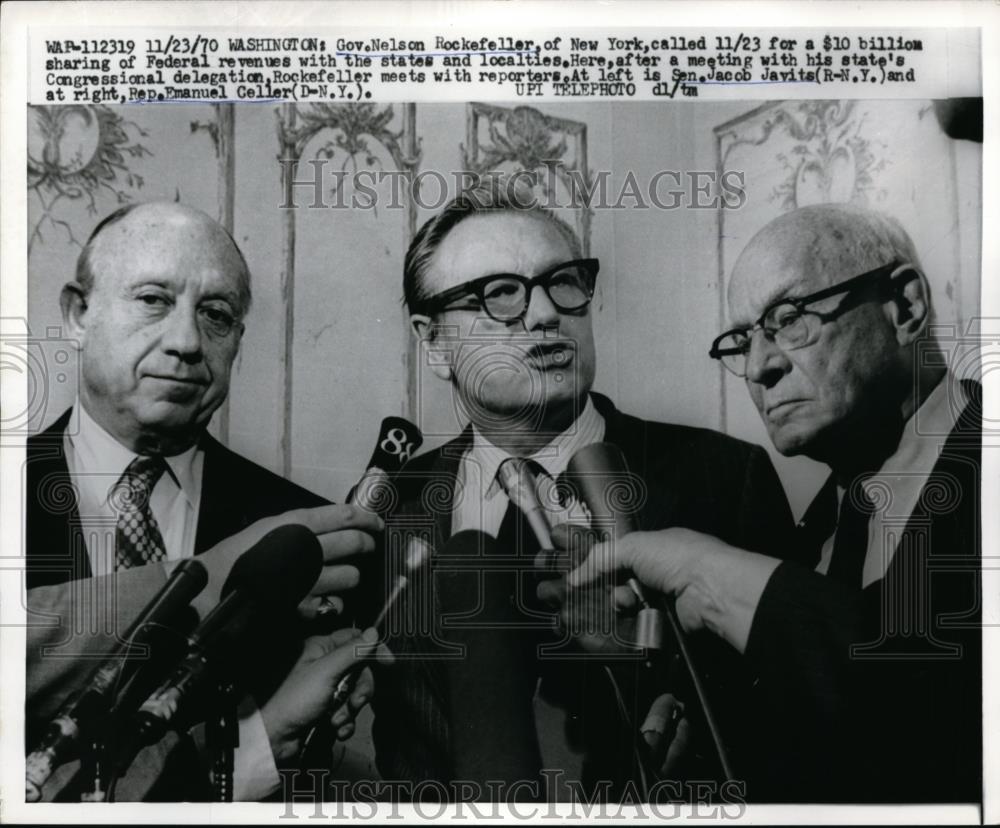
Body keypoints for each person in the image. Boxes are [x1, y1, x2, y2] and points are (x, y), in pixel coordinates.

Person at [370, 181, 798, 801]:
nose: (545, 314)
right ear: (434, 342)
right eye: (501, 295)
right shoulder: (392, 509)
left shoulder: (724, 476)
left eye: (563, 282)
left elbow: (793, 715)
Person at [568, 203, 982, 803]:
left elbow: (935, 712)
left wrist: (706, 573)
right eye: (742, 340)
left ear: (904, 307)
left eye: (789, 319)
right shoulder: (811, 532)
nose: (760, 365)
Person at [24, 201, 384, 800]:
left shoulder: (314, 540)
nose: (188, 341)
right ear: (78, 313)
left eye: (215, 314)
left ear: (238, 340)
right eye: (153, 300)